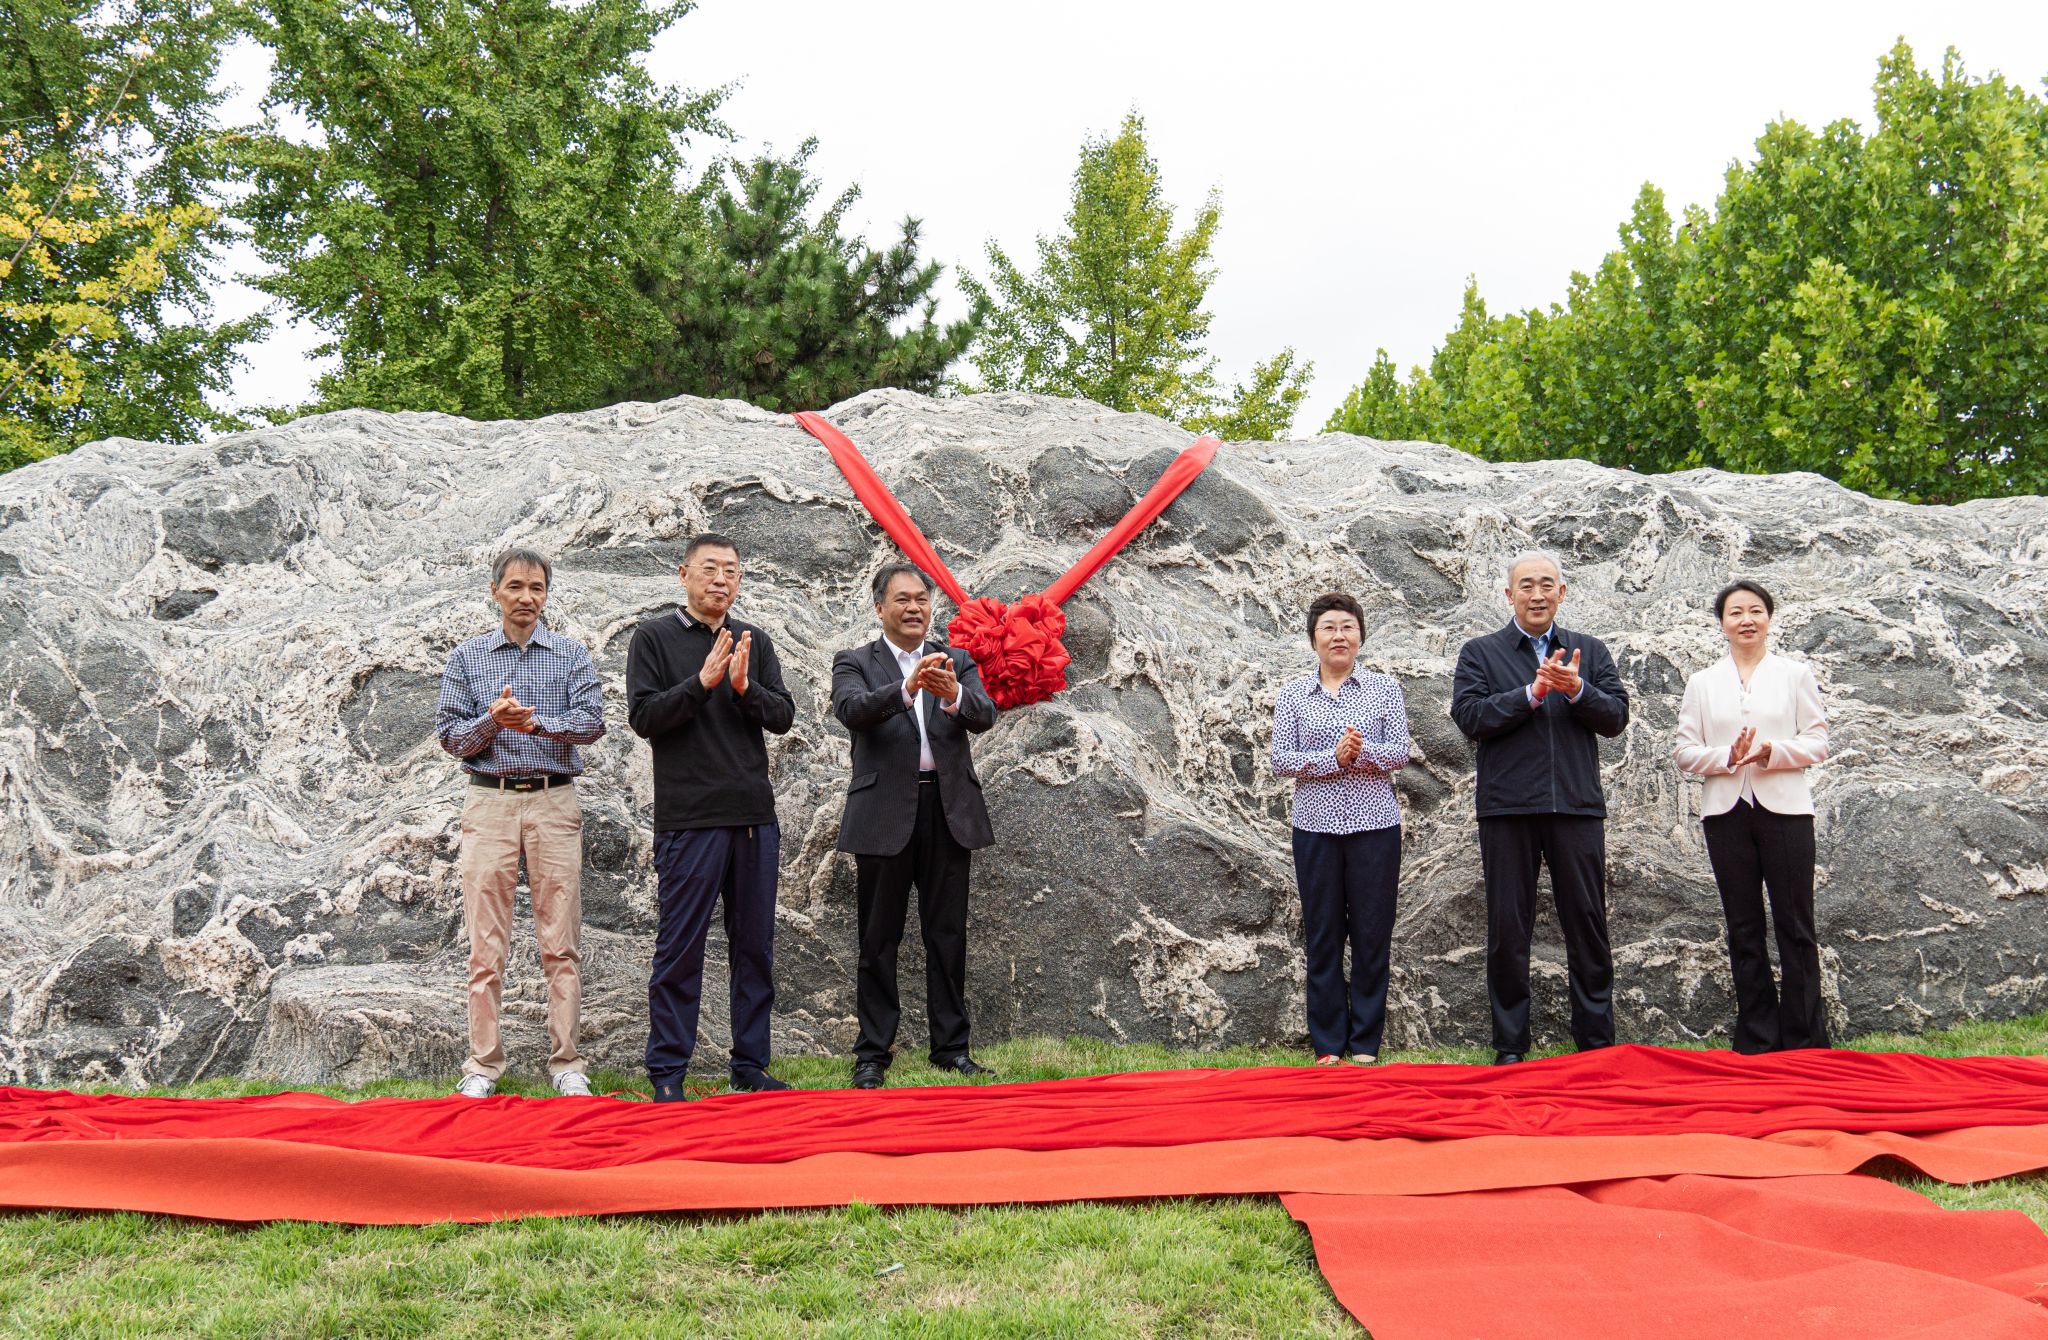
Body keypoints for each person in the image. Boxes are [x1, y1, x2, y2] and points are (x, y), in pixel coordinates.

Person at [626, 532, 796, 1101]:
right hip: (689, 820)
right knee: (680, 948)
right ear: (684, 574)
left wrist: (744, 688)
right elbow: (645, 717)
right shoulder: (653, 637)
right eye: (710, 568)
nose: (721, 580)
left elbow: (783, 716)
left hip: (752, 817)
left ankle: (750, 1066)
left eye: (731, 570)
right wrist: (700, 684)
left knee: (755, 949)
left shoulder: (753, 640)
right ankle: (668, 1073)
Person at [434, 547, 605, 1098]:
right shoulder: (467, 657)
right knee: (486, 944)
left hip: (554, 801)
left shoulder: (571, 654)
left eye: (536, 587)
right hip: (491, 803)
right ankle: (482, 1066)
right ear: (495, 592)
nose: (526, 597)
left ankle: (567, 1063)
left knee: (561, 939)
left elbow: (592, 723)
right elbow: (450, 736)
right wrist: (492, 720)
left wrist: (537, 725)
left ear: (546, 594)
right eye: (515, 586)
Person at [1450, 551, 1630, 1064]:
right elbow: (1469, 717)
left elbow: (1616, 718)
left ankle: (1595, 1043)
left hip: (1576, 806)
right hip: (1507, 809)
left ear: (1562, 593)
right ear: (1509, 595)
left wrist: (1578, 690)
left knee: (1587, 924)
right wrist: (1531, 693)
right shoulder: (1481, 652)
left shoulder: (1588, 651)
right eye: (1526, 585)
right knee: (1508, 929)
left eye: (1547, 584)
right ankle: (1510, 1045)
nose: (1537, 594)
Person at [832, 563, 1000, 1089]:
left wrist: (953, 695)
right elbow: (851, 710)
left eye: (922, 599)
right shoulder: (855, 661)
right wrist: (906, 689)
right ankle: (872, 1053)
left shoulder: (957, 660)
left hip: (947, 812)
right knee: (878, 939)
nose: (914, 608)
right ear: (879, 607)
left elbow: (985, 714)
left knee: (947, 935)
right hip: (884, 812)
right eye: (902, 599)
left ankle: (951, 1049)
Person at [1673, 579, 1831, 1053]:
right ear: (1722, 623)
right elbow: (1684, 752)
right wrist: (1727, 756)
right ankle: (1758, 1037)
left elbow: (1818, 741)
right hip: (1726, 813)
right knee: (1743, 926)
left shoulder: (1794, 674)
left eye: (1755, 610)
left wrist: (1771, 752)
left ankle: (1804, 1036)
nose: (1747, 620)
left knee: (1795, 923)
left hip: (1786, 810)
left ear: (1769, 618)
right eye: (1736, 612)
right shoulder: (1702, 683)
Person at [1270, 592, 1411, 1065]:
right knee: (1324, 932)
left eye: (1348, 627)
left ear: (1360, 636)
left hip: (1375, 825)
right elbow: (1281, 760)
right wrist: (1332, 758)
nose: (1339, 636)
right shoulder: (1293, 694)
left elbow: (1400, 753)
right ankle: (1329, 1043)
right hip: (1315, 828)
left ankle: (1366, 1041)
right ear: (1313, 639)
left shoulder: (1383, 688)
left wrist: (1360, 751)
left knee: (1372, 932)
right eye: (1328, 627)